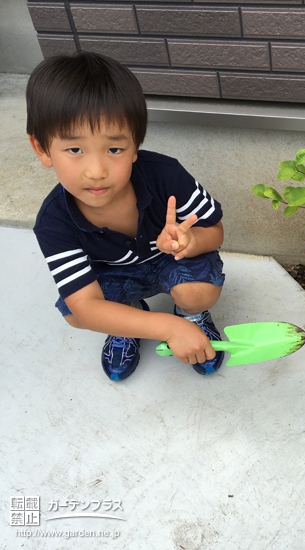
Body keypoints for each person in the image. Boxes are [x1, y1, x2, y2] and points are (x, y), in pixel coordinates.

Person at [27, 51, 226, 381]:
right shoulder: (53, 222)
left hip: (169, 261)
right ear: (43, 149)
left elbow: (215, 231)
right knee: (75, 314)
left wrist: (190, 243)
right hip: (113, 275)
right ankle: (130, 317)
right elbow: (86, 305)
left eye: (114, 149)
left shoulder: (166, 176)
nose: (96, 171)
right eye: (74, 149)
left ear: (135, 145)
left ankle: (192, 315)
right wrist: (167, 328)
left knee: (197, 293)